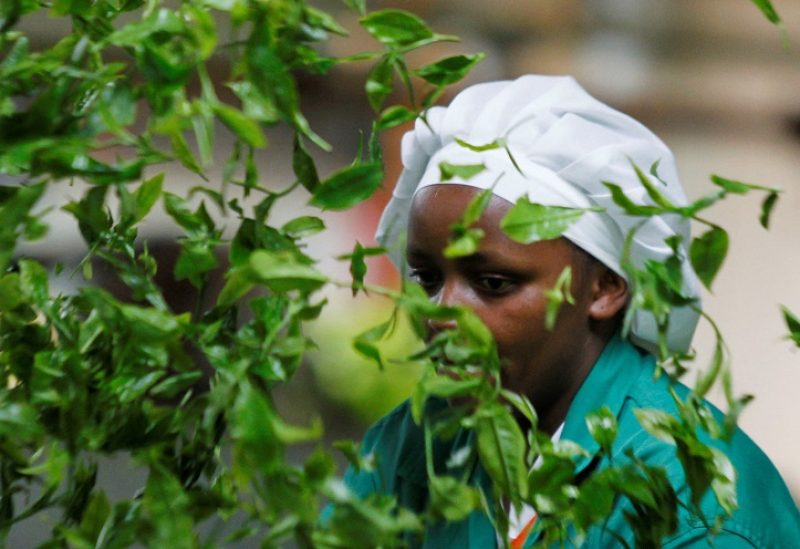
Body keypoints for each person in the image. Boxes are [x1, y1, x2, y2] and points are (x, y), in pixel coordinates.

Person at [338, 75, 800, 547]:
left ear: (604, 288)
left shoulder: (690, 507)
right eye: (428, 279)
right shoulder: (408, 452)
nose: (441, 314)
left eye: (493, 283)